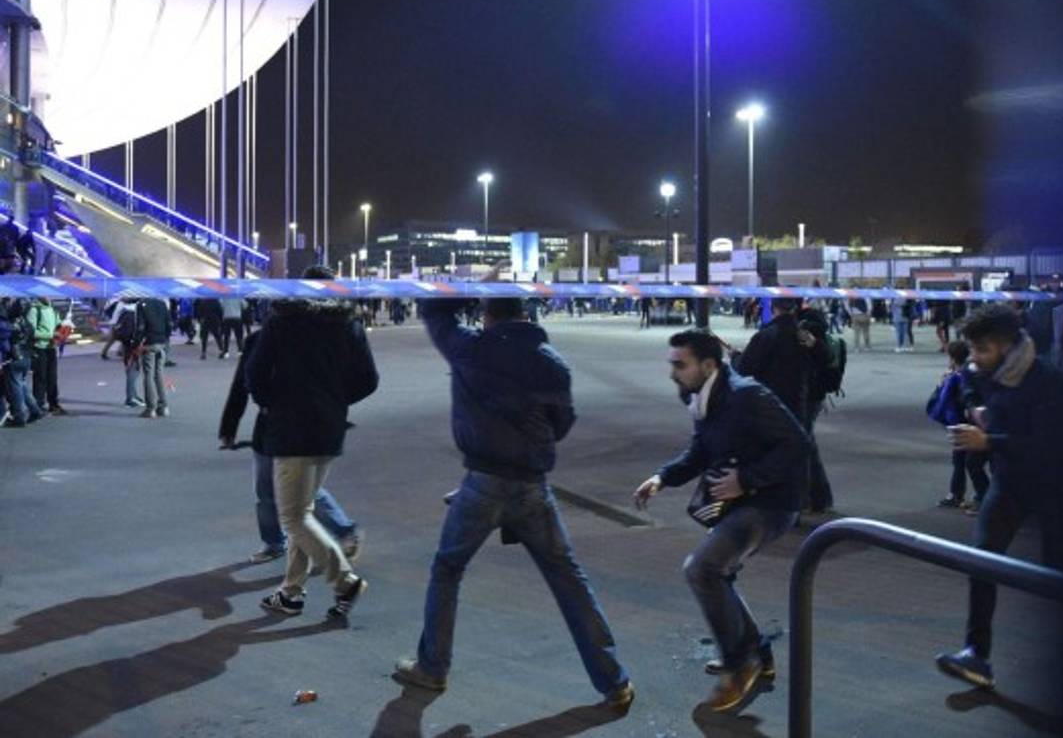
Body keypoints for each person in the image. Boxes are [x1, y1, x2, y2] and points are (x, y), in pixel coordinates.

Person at [395, 282, 634, 714]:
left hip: (483, 482)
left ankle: (433, 666)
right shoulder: (552, 363)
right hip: (531, 485)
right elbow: (562, 422)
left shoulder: (473, 349)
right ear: (526, 314)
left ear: (488, 314)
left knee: (448, 569)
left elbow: (434, 313)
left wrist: (461, 291)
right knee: (567, 579)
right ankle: (613, 680)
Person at [633, 329, 810, 712]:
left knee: (702, 568)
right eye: (671, 364)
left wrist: (747, 479)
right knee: (716, 571)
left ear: (708, 365)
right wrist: (663, 477)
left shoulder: (747, 396)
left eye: (680, 365)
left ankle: (739, 663)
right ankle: (757, 655)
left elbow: (798, 446)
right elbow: (701, 450)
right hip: (742, 501)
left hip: (773, 503)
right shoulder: (705, 398)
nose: (673, 373)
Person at [935, 304, 1063, 689]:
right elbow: (964, 378)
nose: (975, 359)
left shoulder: (1047, 380)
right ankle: (976, 655)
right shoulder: (988, 372)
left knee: (1057, 574)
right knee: (982, 560)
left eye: (982, 350)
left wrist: (988, 440)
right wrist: (974, 408)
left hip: (1054, 488)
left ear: (1007, 346)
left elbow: (1050, 446)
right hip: (1009, 483)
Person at [245, 266, 379, 620]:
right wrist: (335, 400)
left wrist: (274, 402)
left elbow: (255, 374)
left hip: (291, 428)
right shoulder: (349, 324)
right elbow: (369, 379)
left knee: (292, 518)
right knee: (302, 511)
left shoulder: (283, 321)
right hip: (329, 428)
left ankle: (344, 580)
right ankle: (291, 593)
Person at [220, 327, 363, 564]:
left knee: (303, 490)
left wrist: (331, 405)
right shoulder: (257, 340)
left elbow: (359, 378)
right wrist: (229, 426)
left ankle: (344, 532)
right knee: (265, 490)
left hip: (303, 426)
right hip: (269, 427)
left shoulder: (315, 337)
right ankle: (274, 542)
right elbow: (241, 384)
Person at [733, 297, 834, 512]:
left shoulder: (766, 335)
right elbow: (825, 358)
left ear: (773, 307)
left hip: (774, 403)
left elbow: (744, 369)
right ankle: (816, 498)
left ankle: (794, 503)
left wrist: (735, 358)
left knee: (783, 454)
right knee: (804, 449)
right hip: (802, 400)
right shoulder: (803, 334)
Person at [927, 341, 990, 511]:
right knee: (969, 462)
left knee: (966, 461)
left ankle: (969, 496)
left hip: (964, 423)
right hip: (975, 423)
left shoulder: (955, 377)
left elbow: (942, 403)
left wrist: (941, 385)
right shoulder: (971, 373)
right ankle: (974, 495)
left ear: (952, 357)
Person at [1, 298, 41, 427]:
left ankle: (20, 416)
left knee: (16, 388)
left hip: (13, 357)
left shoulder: (8, 323)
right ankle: (34, 409)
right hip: (26, 356)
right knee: (22, 385)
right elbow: (33, 334)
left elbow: (5, 342)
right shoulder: (25, 322)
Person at [136, 297, 172, 418]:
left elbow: (140, 327)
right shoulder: (162, 303)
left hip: (149, 343)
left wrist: (137, 343)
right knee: (159, 374)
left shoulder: (141, 304)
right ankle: (164, 406)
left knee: (148, 375)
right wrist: (164, 339)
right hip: (161, 342)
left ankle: (150, 408)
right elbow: (169, 324)